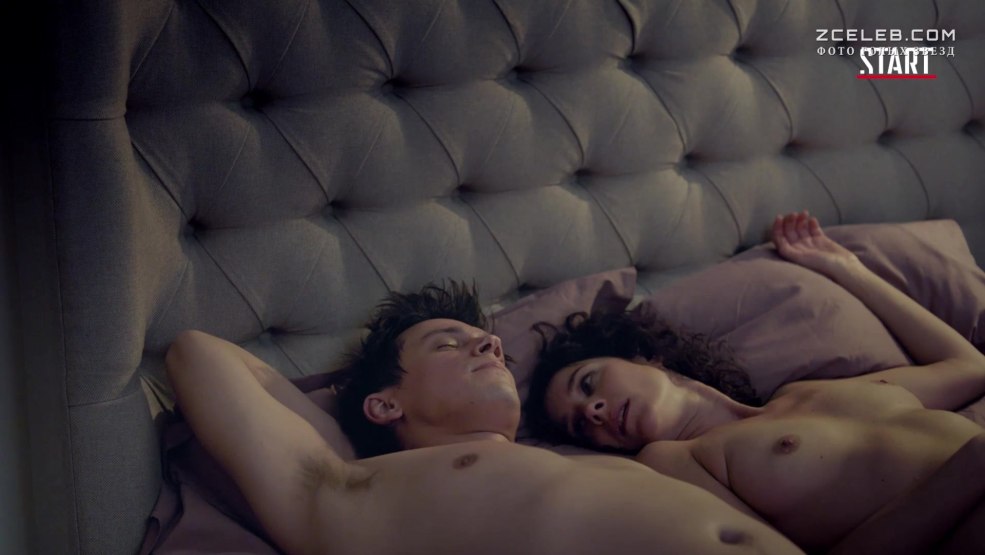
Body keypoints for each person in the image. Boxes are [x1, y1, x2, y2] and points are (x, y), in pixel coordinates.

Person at [165, 282, 804, 555]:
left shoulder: (570, 462)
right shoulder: (350, 491)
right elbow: (197, 353)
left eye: (488, 341)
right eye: (449, 343)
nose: (491, 344)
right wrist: (341, 448)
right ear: (385, 404)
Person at [524, 211, 985, 554]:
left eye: (588, 384)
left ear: (642, 356)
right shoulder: (674, 460)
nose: (592, 411)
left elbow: (969, 368)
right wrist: (967, 470)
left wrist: (847, 269)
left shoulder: (804, 391)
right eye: (579, 425)